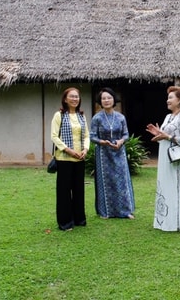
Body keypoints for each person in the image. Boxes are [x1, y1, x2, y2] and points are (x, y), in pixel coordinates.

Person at [146, 86, 180, 232]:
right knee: (164, 186)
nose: (168, 100)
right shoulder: (168, 117)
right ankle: (163, 221)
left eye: (171, 97)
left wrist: (168, 136)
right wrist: (158, 133)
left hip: (175, 157)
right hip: (164, 154)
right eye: (168, 97)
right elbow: (164, 136)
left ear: (179, 100)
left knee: (174, 187)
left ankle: (176, 223)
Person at [90, 88, 135, 220]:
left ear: (114, 99)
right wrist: (102, 142)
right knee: (105, 181)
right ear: (100, 101)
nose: (106, 100)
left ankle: (125, 211)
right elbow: (92, 136)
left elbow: (126, 135)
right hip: (103, 154)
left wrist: (121, 141)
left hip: (119, 152)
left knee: (122, 181)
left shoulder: (121, 117)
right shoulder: (96, 118)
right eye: (103, 98)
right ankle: (106, 211)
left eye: (109, 98)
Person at [51, 87, 90, 231]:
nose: (75, 99)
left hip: (80, 157)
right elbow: (54, 136)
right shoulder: (59, 115)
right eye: (71, 97)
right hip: (64, 158)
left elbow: (86, 135)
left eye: (77, 97)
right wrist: (69, 150)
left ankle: (79, 219)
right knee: (64, 191)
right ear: (65, 99)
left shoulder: (81, 116)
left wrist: (85, 149)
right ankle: (65, 222)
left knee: (79, 190)